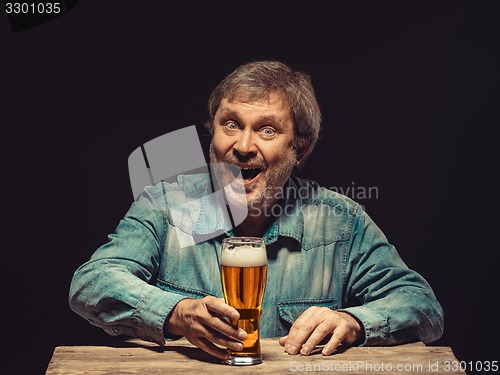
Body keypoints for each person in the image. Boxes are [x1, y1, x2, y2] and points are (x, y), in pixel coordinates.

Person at [69, 60, 444, 361]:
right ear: (211, 133)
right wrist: (177, 313)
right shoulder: (166, 205)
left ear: (301, 149)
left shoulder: (341, 221)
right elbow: (92, 281)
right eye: (231, 124)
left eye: (267, 130)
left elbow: (422, 306)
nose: (243, 146)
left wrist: (354, 321)